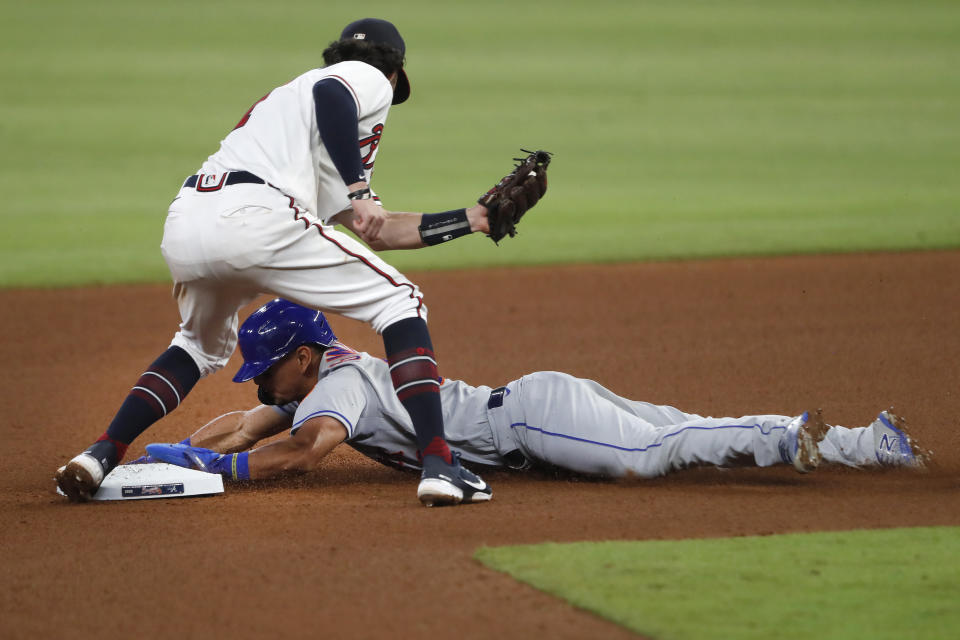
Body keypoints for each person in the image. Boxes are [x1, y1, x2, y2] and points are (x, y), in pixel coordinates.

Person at [55, 18, 517, 506]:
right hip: (257, 213)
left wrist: (476, 218)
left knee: (195, 347)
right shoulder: (361, 78)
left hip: (190, 219)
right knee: (400, 303)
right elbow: (335, 99)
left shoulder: (297, 127)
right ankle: (440, 463)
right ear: (396, 73)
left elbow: (374, 229)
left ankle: (101, 453)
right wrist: (360, 188)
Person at [143, 300, 927, 502]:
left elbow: (306, 452)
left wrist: (222, 477)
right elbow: (249, 424)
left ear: (302, 359)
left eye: (263, 371)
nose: (256, 384)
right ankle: (869, 442)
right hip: (536, 405)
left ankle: (790, 433)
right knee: (673, 430)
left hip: (530, 420)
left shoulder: (338, 385)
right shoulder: (318, 374)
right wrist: (192, 453)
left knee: (656, 455)